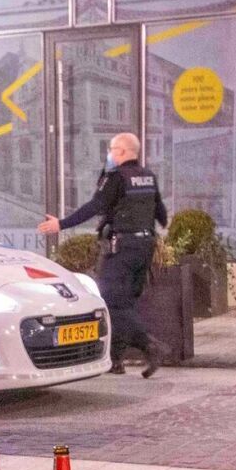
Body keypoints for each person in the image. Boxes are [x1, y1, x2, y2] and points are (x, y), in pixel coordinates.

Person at [38, 132, 168, 378]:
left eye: (111, 149)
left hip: (123, 247)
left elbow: (95, 205)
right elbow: (161, 214)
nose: (109, 154)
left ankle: (150, 346)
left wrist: (61, 224)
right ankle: (115, 360)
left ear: (121, 152)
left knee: (111, 299)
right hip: (145, 246)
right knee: (125, 302)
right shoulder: (148, 177)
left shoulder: (117, 177)